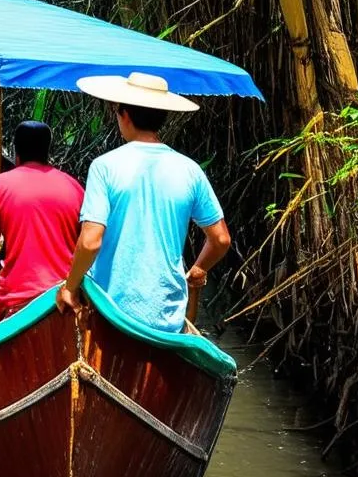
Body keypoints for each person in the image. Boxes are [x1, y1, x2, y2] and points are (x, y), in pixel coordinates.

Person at [56, 72, 231, 332]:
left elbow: (91, 241)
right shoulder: (189, 169)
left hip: (112, 311)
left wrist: (69, 288)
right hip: (167, 315)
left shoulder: (104, 167)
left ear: (124, 115)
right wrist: (198, 269)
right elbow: (220, 240)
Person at [0, 121, 84, 318]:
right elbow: (88, 243)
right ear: (48, 149)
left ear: (15, 150)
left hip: (17, 300)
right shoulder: (73, 186)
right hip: (64, 296)